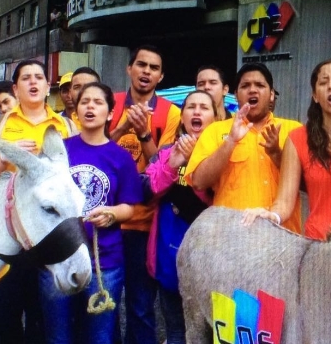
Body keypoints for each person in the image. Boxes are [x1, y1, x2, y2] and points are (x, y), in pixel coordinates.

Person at [0, 59, 75, 344]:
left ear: (47, 87)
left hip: (49, 236)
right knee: (3, 316)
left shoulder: (66, 126)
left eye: (39, 78)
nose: (33, 82)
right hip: (8, 238)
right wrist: (5, 157)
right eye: (26, 78)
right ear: (16, 88)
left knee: (43, 316)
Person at [40, 82, 143, 344]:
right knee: (57, 337)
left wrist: (110, 213)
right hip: (58, 259)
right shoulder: (58, 150)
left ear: (110, 113)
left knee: (99, 338)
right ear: (76, 110)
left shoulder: (121, 158)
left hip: (104, 263)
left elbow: (129, 208)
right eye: (85, 102)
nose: (90, 107)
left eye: (98, 102)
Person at [241, 59, 331, 238]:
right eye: (324, 82)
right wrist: (271, 215)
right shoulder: (297, 139)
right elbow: (284, 203)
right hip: (319, 247)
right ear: (315, 96)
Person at [107, 45, 181, 344]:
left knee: (140, 307)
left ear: (161, 76)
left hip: (145, 223)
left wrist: (143, 134)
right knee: (105, 305)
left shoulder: (171, 113)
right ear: (129, 69)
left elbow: (163, 168)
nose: (146, 72)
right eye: (141, 65)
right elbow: (97, 151)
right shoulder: (109, 103)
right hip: (107, 221)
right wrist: (123, 125)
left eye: (153, 68)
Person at [186, 62, 302, 232]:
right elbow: (198, 182)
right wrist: (230, 142)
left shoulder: (294, 130)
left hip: (284, 238)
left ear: (271, 95)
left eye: (260, 85)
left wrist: (277, 155)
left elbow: (309, 183)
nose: (252, 90)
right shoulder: (215, 130)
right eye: (245, 86)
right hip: (231, 238)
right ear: (236, 95)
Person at [145, 90, 217, 344]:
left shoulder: (225, 152)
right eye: (191, 107)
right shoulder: (166, 151)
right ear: (182, 115)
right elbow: (147, 191)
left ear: (216, 116)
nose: (196, 112)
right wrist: (172, 164)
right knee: (175, 329)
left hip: (211, 259)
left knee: (209, 332)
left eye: (204, 107)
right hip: (169, 256)